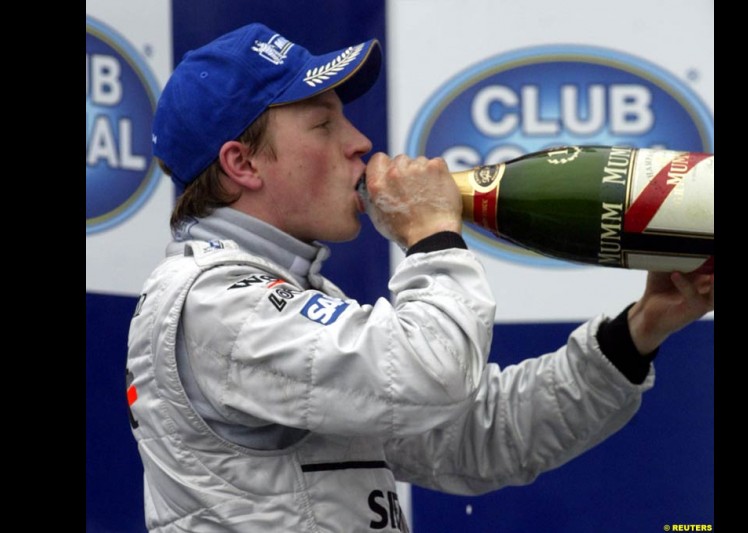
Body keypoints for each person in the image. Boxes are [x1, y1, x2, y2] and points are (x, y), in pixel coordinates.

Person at [126, 22, 714, 532]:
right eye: (323, 125)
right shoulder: (210, 303)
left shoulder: (284, 300)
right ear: (242, 163)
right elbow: (429, 374)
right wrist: (431, 233)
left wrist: (640, 330)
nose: (360, 142)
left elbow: (483, 437)